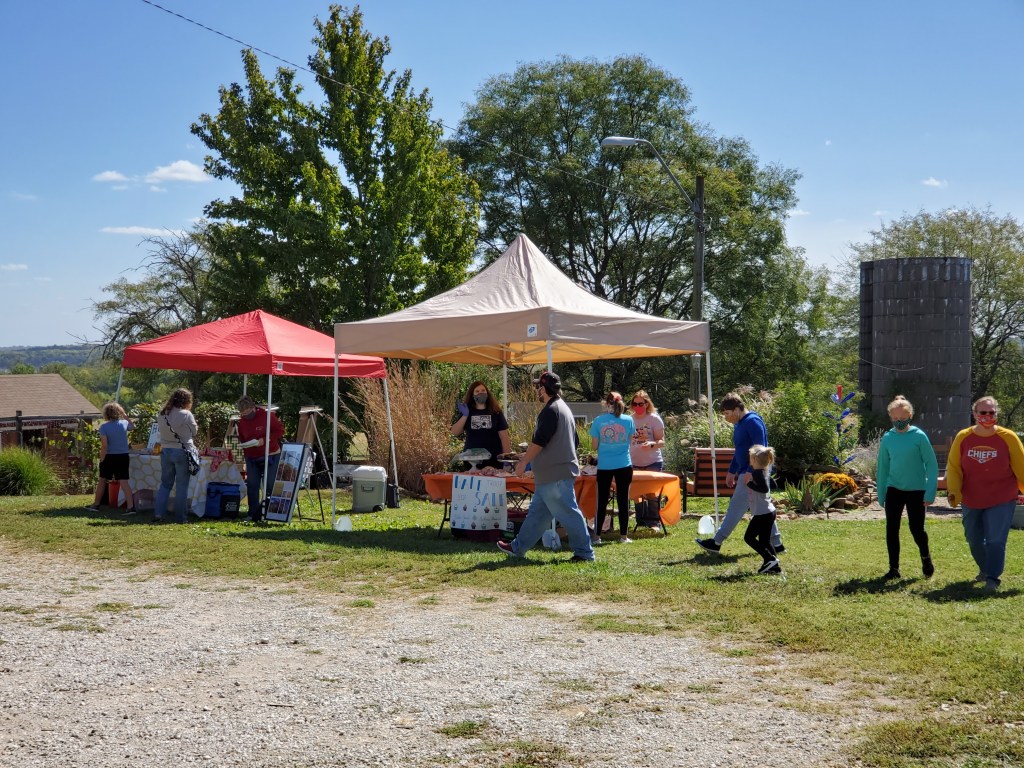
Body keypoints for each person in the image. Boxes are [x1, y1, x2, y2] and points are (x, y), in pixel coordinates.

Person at [497, 371, 595, 563]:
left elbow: (540, 441)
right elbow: (571, 442)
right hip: (552, 475)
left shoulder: (551, 410)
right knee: (537, 515)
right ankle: (517, 548)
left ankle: (585, 553)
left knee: (569, 514)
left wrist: (524, 462)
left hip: (555, 476)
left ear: (544, 389)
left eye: (538, 388)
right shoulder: (563, 408)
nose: (536, 391)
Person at [946, 396, 1024, 592]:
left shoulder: (1008, 437)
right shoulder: (963, 437)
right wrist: (954, 491)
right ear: (974, 414)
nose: (987, 416)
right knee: (973, 538)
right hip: (972, 498)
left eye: (992, 412)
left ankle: (992, 578)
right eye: (983, 412)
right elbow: (954, 466)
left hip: (1002, 497)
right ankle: (985, 568)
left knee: (996, 539)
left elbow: (1021, 467)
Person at [696, 392, 784, 554]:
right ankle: (777, 545)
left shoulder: (752, 422)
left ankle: (716, 542)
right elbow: (740, 450)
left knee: (736, 507)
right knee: (763, 507)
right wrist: (731, 471)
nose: (725, 417)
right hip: (747, 470)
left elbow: (761, 449)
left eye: (727, 413)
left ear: (737, 409)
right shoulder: (739, 424)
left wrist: (752, 471)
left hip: (755, 471)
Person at [875, 395, 938, 580]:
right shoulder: (888, 438)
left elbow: (932, 465)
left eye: (902, 419)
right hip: (894, 488)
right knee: (892, 528)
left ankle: (925, 557)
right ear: (890, 418)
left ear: (910, 416)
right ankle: (893, 569)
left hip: (916, 490)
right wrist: (881, 494)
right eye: (895, 419)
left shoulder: (919, 436)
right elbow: (883, 467)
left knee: (916, 529)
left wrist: (930, 491)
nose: (898, 422)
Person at [589, 391, 636, 544]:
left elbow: (594, 446)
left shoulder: (598, 421)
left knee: (601, 501)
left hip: (605, 466)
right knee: (623, 500)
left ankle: (596, 537)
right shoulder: (629, 420)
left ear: (606, 404)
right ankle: (623, 536)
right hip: (624, 464)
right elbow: (629, 442)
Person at [236, 395, 286, 521]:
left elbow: (280, 431)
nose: (246, 415)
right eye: (243, 413)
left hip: (271, 454)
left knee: (269, 485)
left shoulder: (267, 416)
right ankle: (253, 513)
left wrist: (265, 440)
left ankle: (271, 512)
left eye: (247, 412)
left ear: (253, 407)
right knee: (252, 485)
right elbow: (242, 437)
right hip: (251, 456)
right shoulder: (241, 422)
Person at [154, 388, 198, 524]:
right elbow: (194, 432)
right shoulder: (186, 414)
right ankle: (181, 518)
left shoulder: (162, 414)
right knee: (181, 486)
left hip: (166, 451)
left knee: (165, 484)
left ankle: (158, 513)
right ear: (187, 401)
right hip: (183, 451)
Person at [84, 403, 136, 515]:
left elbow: (104, 446)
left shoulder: (104, 427)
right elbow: (133, 427)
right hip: (123, 456)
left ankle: (96, 504)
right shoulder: (124, 423)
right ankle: (131, 507)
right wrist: (125, 415)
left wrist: (102, 458)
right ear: (119, 413)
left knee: (102, 480)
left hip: (110, 456)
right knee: (124, 481)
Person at [451, 381, 511, 468]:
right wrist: (465, 416)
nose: (481, 393)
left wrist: (507, 458)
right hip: (471, 461)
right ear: (472, 395)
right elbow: (455, 432)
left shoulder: (496, 411)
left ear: (487, 393)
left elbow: (504, 436)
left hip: (494, 461)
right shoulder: (467, 411)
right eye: (477, 391)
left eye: (483, 390)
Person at [742, 444, 782, 574]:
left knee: (749, 538)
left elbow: (764, 488)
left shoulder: (758, 473)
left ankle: (770, 559)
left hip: (763, 513)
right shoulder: (763, 471)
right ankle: (774, 566)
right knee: (764, 540)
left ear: (753, 459)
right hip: (768, 511)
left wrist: (749, 483)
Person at [628, 390, 665, 471]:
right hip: (632, 463)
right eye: (635, 404)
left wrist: (651, 444)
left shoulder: (654, 419)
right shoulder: (628, 420)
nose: (637, 406)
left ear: (646, 404)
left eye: (640, 404)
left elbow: (662, 442)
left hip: (653, 463)